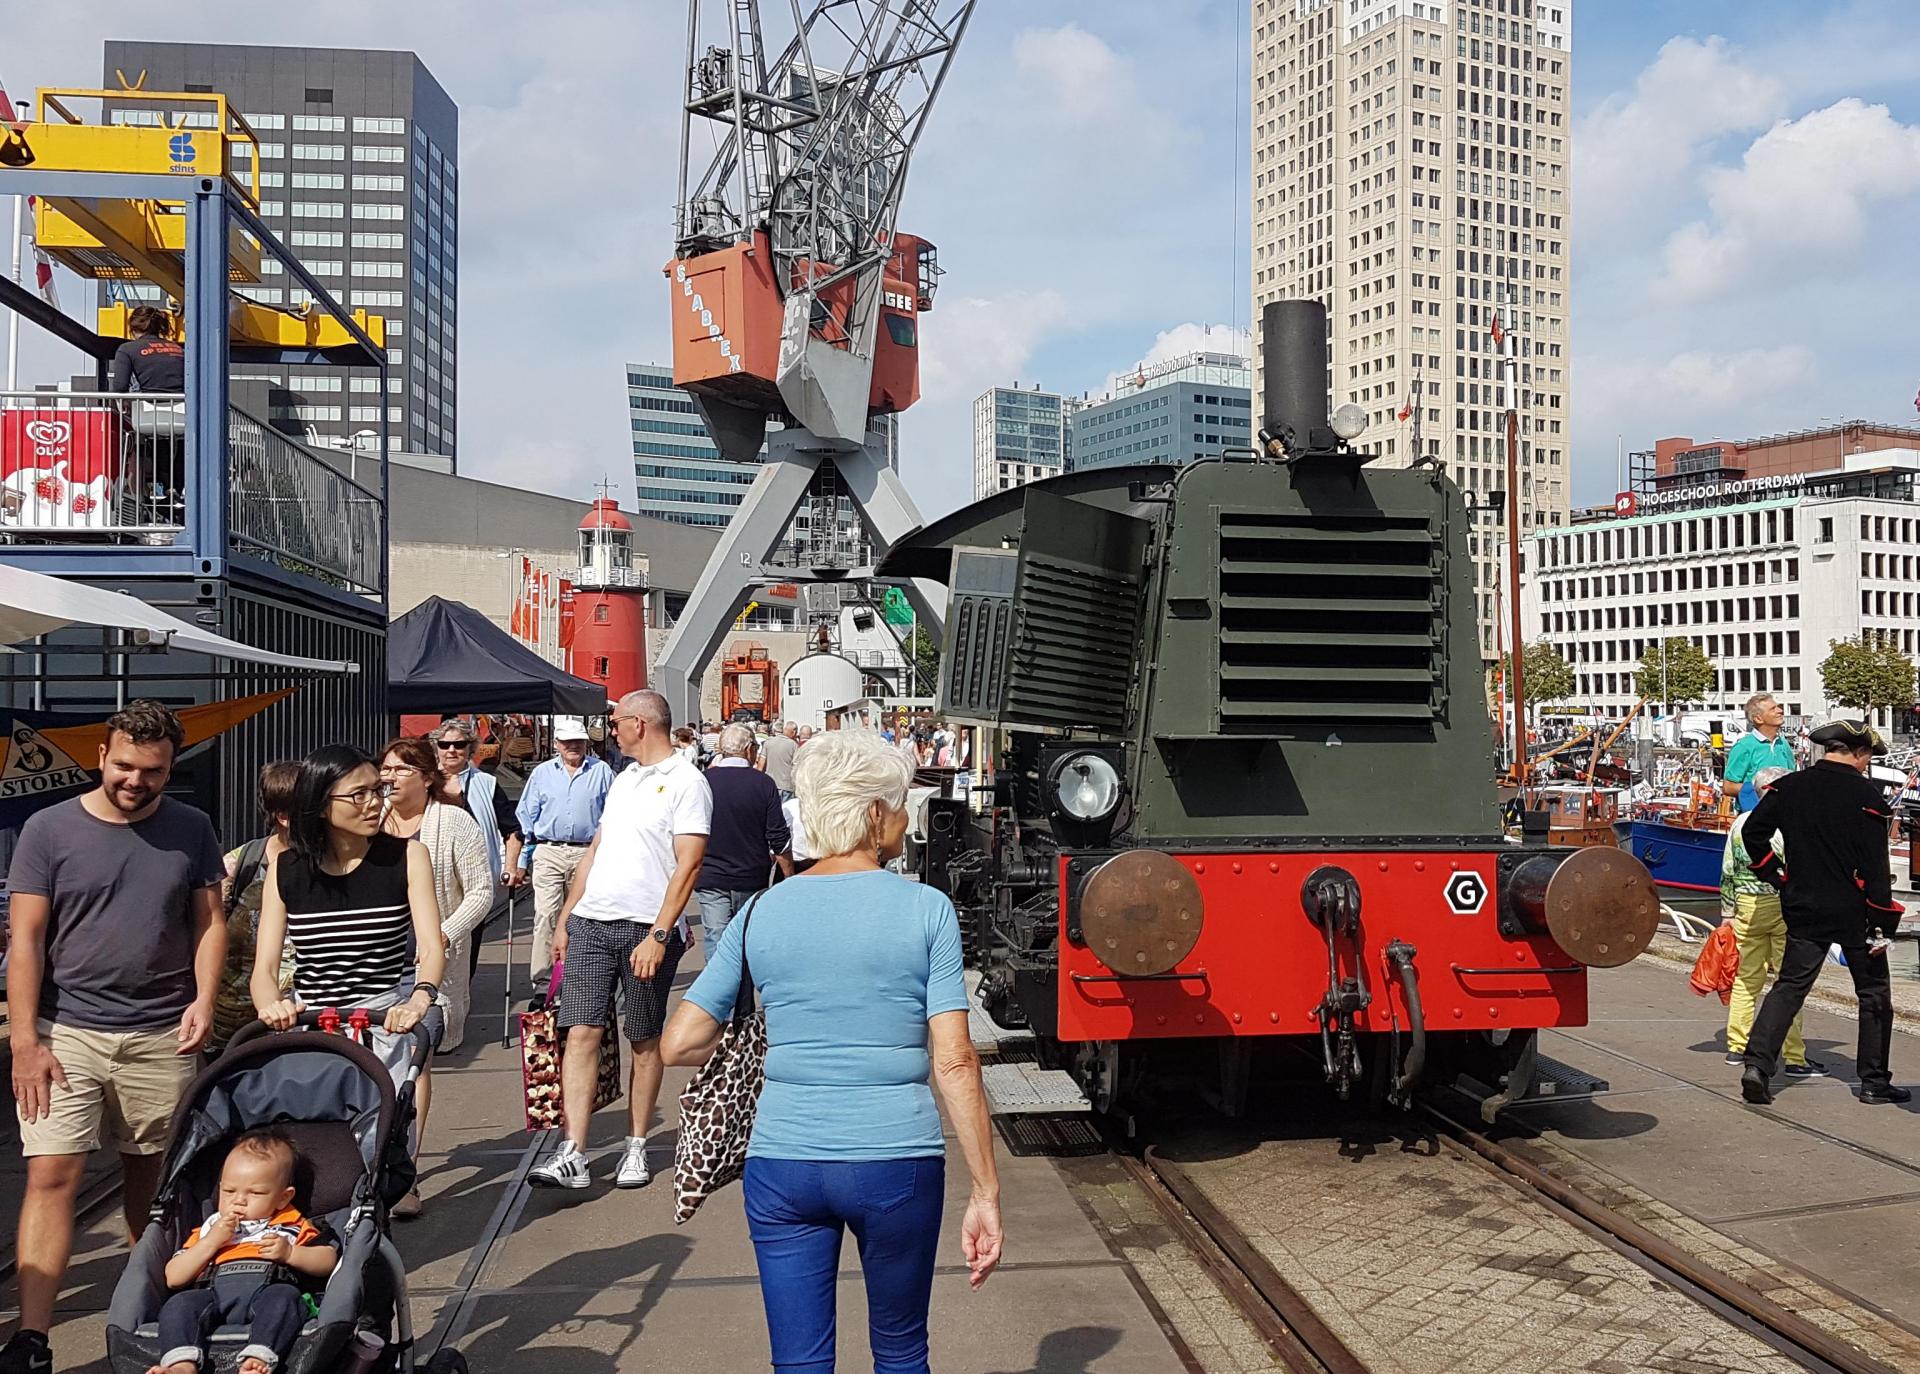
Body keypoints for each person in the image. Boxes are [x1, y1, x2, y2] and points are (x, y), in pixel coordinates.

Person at [662, 728, 1003, 1373]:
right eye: (902, 805)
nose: (906, 819)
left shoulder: (761, 911)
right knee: (902, 1351)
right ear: (874, 814)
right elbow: (955, 1059)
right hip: (894, 1160)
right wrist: (985, 1191)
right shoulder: (927, 910)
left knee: (799, 1362)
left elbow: (681, 1041)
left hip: (784, 1161)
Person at [2, 701, 226, 1374]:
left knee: (152, 1180)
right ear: (101, 755)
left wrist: (205, 1002)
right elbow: (25, 941)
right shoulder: (49, 829)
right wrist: (23, 1042)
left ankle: (151, 1314)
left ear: (170, 768)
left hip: (161, 1031)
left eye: (152, 771)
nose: (135, 780)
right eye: (124, 765)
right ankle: (32, 1336)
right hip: (64, 1031)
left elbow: (211, 922)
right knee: (51, 1175)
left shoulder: (192, 828)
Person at [528, 690, 710, 1192]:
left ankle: (635, 1144)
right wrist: (567, 916)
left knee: (644, 1038)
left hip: (645, 927)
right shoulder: (624, 778)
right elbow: (596, 850)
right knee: (580, 1031)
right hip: (593, 921)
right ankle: (574, 1150)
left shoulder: (686, 781)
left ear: (641, 724)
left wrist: (658, 933)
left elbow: (689, 862)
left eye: (616, 722)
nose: (611, 730)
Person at [251, 747, 446, 1173]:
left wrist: (419, 998)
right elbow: (264, 970)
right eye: (359, 795)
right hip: (313, 1029)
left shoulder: (407, 857)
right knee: (313, 1158)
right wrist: (272, 1003)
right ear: (320, 804)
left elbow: (431, 946)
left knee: (381, 1156)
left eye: (379, 790)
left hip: (382, 1022)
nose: (375, 803)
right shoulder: (287, 869)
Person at [1740, 719, 1909, 1106]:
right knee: (1873, 995)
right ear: (1859, 753)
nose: (1868, 765)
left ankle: (1757, 1066)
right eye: (1868, 757)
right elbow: (1876, 868)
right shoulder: (1867, 798)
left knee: (1789, 987)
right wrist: (1882, 923)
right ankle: (1873, 1081)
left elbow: (1754, 834)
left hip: (1802, 903)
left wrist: (1774, 873)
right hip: (1855, 911)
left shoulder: (1789, 787)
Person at [149, 1129, 339, 1374]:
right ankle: (181, 1365)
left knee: (285, 1299)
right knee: (180, 1304)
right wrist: (210, 1243)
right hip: (212, 1292)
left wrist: (291, 1254)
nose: (238, 1200)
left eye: (256, 1193)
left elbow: (327, 1259)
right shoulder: (211, 1227)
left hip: (268, 1289)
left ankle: (258, 1358)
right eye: (228, 1191)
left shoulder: (290, 1224)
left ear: (283, 1197)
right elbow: (174, 1278)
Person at [380, 737, 491, 1060]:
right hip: (376, 965)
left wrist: (445, 932)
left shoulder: (455, 822)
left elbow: (481, 892)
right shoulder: (369, 821)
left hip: (426, 964)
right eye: (385, 768)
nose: (390, 776)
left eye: (402, 769)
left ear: (427, 777)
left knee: (415, 1055)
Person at [1720, 767, 1821, 1077]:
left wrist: (1727, 914)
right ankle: (1793, 1055)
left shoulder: (1739, 824)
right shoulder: (1784, 826)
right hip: (1779, 904)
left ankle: (1737, 1045)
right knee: (1789, 982)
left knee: (1747, 977)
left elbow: (1727, 872)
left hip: (1747, 906)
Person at [514, 717, 614, 987]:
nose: (574, 746)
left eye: (578, 741)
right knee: (546, 913)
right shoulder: (542, 773)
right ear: (557, 744)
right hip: (549, 850)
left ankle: (575, 977)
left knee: (582, 917)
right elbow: (526, 817)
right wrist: (521, 860)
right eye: (568, 742)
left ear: (586, 742)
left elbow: (614, 815)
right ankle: (543, 981)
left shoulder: (602, 771)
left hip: (588, 852)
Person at [213, 761, 303, 1053]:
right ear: (283, 816)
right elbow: (206, 930)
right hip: (232, 1017)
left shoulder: (333, 867)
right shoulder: (240, 864)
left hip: (300, 1015)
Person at [694, 723, 791, 950]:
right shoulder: (763, 784)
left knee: (716, 940)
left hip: (710, 875)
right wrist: (789, 875)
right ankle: (743, 986)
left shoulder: (703, 781)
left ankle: (719, 984)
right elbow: (778, 836)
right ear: (749, 749)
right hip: (750, 875)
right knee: (745, 941)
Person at [432, 720, 522, 887]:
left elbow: (512, 830)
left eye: (459, 745)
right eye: (444, 745)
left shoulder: (487, 783)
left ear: (470, 748)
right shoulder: (423, 782)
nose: (451, 750)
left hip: (477, 872)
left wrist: (510, 867)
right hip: (433, 872)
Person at [1722, 693, 1795, 812]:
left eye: (1778, 707)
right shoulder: (1744, 747)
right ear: (1758, 718)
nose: (1780, 711)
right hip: (1755, 815)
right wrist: (1761, 789)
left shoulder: (1783, 744)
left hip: (1784, 813)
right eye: (1773, 709)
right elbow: (1728, 787)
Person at [108, 306, 185, 394]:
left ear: (133, 329)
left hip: (148, 404)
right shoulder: (177, 348)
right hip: (183, 403)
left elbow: (120, 387)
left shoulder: (127, 349)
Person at [761, 719, 800, 802]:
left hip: (770, 784)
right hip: (787, 786)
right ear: (794, 732)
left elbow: (761, 765)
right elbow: (797, 767)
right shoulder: (793, 745)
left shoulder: (768, 742)